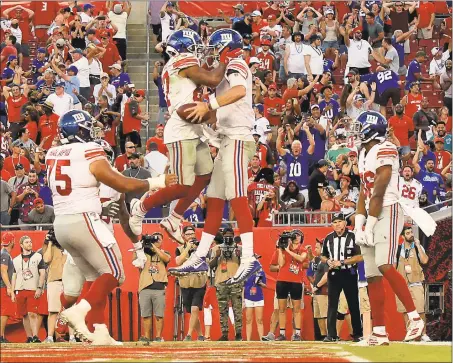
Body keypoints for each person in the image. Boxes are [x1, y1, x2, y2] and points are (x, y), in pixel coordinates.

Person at [47, 110, 177, 343]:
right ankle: (78, 312)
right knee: (116, 274)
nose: (93, 132)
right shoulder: (88, 151)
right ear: (79, 131)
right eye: (88, 127)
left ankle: (99, 332)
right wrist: (156, 181)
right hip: (84, 220)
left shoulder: (52, 153)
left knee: (95, 278)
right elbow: (119, 182)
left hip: (61, 224)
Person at [165, 29, 262, 285]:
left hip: (239, 139)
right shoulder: (226, 68)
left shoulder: (237, 62)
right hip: (227, 140)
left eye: (215, 48)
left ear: (225, 46)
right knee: (215, 197)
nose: (212, 53)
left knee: (237, 194)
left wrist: (209, 106)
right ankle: (200, 253)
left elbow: (240, 90)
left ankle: (250, 257)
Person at [128, 29, 227, 244]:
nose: (198, 50)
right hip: (182, 128)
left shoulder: (178, 64)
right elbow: (212, 80)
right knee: (182, 186)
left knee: (205, 175)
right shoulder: (183, 60)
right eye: (195, 46)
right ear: (184, 48)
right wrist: (226, 60)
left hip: (192, 126)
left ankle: (174, 218)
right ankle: (140, 208)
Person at [354, 110, 427, 346]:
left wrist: (371, 223)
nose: (356, 131)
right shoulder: (363, 152)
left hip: (388, 209)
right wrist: (358, 223)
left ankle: (415, 318)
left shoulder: (385, 148)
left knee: (385, 264)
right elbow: (364, 192)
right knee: (372, 276)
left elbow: (380, 189)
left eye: (360, 126)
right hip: (371, 211)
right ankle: (379, 332)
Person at [321, 212, 363, 342]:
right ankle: (331, 335)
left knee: (353, 304)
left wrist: (343, 262)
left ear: (345, 223)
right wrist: (328, 261)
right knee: (332, 305)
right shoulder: (328, 238)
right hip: (334, 274)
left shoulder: (353, 236)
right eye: (334, 222)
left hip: (349, 272)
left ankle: (357, 334)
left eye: (339, 221)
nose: (337, 224)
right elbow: (323, 255)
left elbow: (360, 256)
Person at [207, 228, 244, 341]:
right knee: (223, 309)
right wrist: (217, 256)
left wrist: (239, 256)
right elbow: (210, 265)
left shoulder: (240, 249)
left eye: (230, 235)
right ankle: (224, 333)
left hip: (235, 281)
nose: (228, 237)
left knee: (237, 309)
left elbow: (245, 265)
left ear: (233, 236)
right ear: (223, 236)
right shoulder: (215, 249)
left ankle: (238, 333)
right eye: (226, 235)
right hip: (221, 281)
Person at [396, 226, 431, 342]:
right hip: (402, 284)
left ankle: (424, 334)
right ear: (402, 236)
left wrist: (418, 246)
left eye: (411, 232)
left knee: (420, 310)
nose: (411, 234)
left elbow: (425, 260)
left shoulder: (417, 247)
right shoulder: (397, 250)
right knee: (405, 311)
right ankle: (410, 334)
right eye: (407, 233)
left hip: (416, 282)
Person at [270, 230, 306, 341]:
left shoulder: (302, 249)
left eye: (299, 235)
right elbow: (280, 264)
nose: (296, 237)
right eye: (294, 235)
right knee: (281, 309)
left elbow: (301, 259)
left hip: (296, 281)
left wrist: (287, 250)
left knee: (296, 309)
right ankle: (282, 333)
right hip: (282, 280)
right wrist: (281, 250)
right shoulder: (283, 249)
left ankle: (297, 334)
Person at [136, 232, 170, 343]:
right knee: (145, 314)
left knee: (159, 314)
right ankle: (146, 336)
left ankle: (158, 337)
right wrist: (140, 246)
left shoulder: (164, 253)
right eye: (153, 239)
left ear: (162, 241)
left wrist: (154, 247)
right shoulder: (142, 254)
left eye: (158, 239)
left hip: (159, 287)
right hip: (145, 286)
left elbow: (166, 259)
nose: (155, 241)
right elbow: (134, 261)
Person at [11, 235, 46, 343]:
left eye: (30, 242)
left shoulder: (38, 257)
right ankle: (29, 336)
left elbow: (42, 273)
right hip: (20, 289)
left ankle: (36, 336)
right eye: (26, 242)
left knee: (32, 313)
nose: (29, 244)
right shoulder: (16, 260)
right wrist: (12, 291)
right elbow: (14, 276)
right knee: (24, 314)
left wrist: (40, 287)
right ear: (21, 245)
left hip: (33, 288)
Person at [175, 226, 207, 341]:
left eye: (192, 234)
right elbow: (178, 261)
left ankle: (188, 335)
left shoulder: (201, 248)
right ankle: (200, 335)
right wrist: (188, 247)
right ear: (183, 236)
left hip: (199, 282)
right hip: (185, 283)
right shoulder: (179, 249)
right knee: (191, 311)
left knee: (195, 309)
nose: (191, 236)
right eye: (188, 234)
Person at [41, 229, 67, 343]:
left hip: (69, 280)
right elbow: (46, 259)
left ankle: (72, 337)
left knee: (70, 310)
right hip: (54, 280)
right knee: (53, 310)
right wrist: (50, 242)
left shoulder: (68, 246)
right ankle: (50, 337)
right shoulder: (49, 246)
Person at [308, 240, 329, 341]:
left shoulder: (326, 260)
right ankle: (323, 336)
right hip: (317, 292)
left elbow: (326, 276)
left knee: (325, 314)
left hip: (323, 291)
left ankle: (329, 335)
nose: (315, 249)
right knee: (319, 315)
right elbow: (311, 258)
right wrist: (309, 251)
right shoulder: (319, 259)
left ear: (322, 248)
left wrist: (317, 286)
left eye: (317, 247)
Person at [244, 265, 266, 341]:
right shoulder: (245, 271)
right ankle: (248, 341)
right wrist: (243, 300)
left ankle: (261, 340)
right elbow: (243, 287)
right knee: (248, 320)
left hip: (259, 298)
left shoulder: (261, 272)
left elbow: (264, 285)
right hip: (248, 298)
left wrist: (260, 283)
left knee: (259, 320)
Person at [0, 232, 15, 343]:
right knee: (4, 312)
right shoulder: (4, 254)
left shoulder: (4, 253)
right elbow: (3, 271)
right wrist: (9, 287)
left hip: (2, 286)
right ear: (11, 242)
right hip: (3, 286)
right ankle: (1, 336)